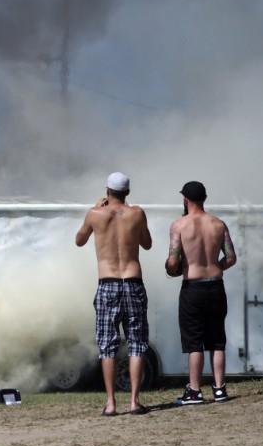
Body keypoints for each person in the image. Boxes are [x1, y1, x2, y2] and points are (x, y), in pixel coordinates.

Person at [76, 172, 152, 416]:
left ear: (107, 190)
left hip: (107, 282)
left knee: (107, 346)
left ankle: (110, 403)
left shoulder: (95, 214)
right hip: (132, 281)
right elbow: (147, 243)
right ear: (127, 192)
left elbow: (79, 240)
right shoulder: (137, 213)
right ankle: (134, 401)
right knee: (137, 344)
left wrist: (97, 208)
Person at [165, 181, 237, 404]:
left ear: (185, 200)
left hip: (193, 288)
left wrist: (172, 268)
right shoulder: (219, 224)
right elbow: (231, 258)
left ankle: (195, 391)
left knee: (194, 341)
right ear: (204, 199)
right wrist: (216, 268)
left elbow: (173, 261)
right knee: (217, 340)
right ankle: (219, 389)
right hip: (216, 285)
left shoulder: (179, 225)